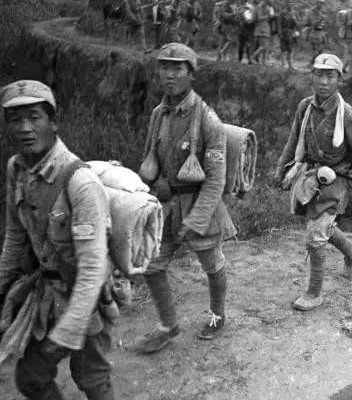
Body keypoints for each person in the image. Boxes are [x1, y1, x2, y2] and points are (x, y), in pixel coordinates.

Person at [0, 80, 115, 399]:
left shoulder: (80, 182)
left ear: (54, 122)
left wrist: (71, 326)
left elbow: (93, 266)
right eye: (15, 119)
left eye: (34, 117)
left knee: (92, 378)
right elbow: (15, 237)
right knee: (31, 379)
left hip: (86, 295)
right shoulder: (16, 169)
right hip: (47, 293)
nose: (25, 128)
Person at [133, 43, 236, 353]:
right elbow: (151, 157)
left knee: (212, 264)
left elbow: (215, 179)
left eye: (177, 68)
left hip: (198, 204)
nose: (169, 74)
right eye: (164, 67)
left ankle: (218, 316)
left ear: (192, 75)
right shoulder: (158, 114)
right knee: (152, 265)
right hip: (165, 206)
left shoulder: (208, 120)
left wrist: (197, 219)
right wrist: (151, 188)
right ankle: (168, 326)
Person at [275, 54, 352, 311]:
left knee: (315, 234)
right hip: (311, 175)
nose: (324, 81)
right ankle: (351, 251)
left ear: (339, 80)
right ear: (312, 77)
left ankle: (314, 293)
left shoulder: (347, 115)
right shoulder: (305, 107)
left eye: (330, 76)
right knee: (321, 225)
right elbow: (294, 139)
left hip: (339, 179)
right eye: (319, 75)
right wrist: (281, 170)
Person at [304, 0, 328, 68]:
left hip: (320, 32)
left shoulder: (321, 11)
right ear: (317, 3)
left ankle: (314, 64)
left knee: (319, 50)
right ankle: (311, 63)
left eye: (322, 4)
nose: (322, 5)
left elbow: (323, 23)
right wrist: (321, 19)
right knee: (318, 49)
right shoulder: (312, 12)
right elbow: (313, 23)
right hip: (314, 32)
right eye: (320, 3)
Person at [278, 2, 299, 69]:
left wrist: (294, 19)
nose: (290, 4)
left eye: (291, 3)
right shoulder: (282, 13)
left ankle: (290, 65)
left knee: (291, 50)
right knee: (283, 49)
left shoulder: (295, 13)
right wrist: (279, 33)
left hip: (291, 34)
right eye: (289, 3)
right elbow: (279, 24)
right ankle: (283, 64)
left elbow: (298, 24)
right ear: (286, 4)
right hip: (283, 33)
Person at [250, 0, 271, 65]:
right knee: (263, 46)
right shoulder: (259, 7)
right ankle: (252, 58)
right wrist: (268, 16)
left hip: (265, 28)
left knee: (266, 47)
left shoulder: (266, 7)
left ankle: (264, 62)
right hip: (261, 28)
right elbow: (259, 18)